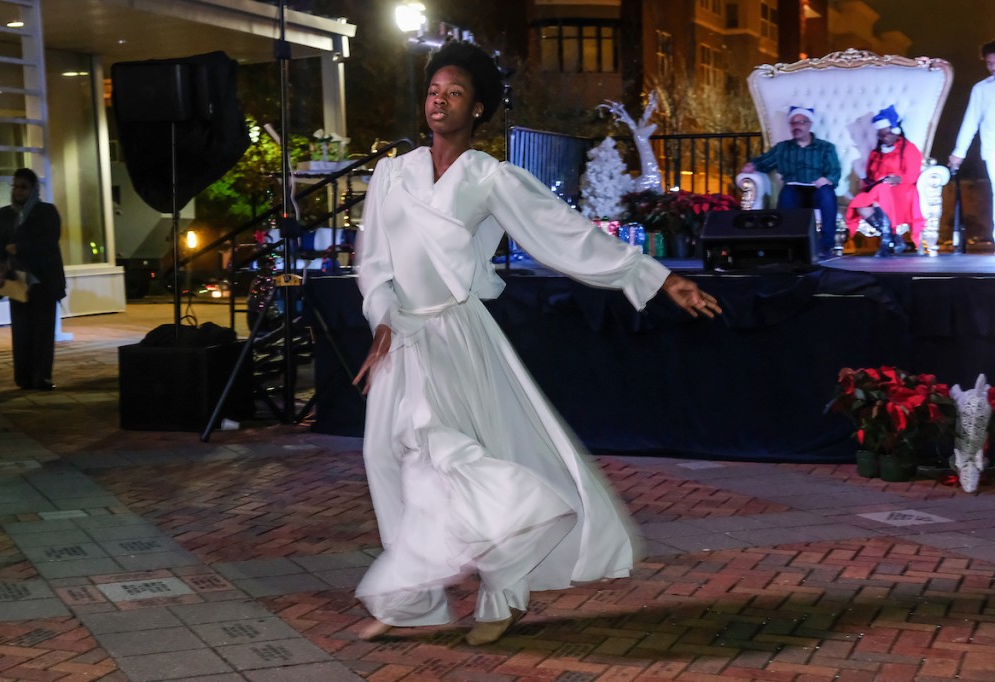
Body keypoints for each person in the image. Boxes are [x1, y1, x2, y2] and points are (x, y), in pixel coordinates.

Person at [351, 41, 720, 646]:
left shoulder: (488, 177)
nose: (440, 101)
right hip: (400, 339)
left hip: (456, 334)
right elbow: (373, 264)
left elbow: (565, 234)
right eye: (434, 91)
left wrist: (657, 276)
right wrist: (384, 316)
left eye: (456, 93)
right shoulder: (393, 174)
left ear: (477, 110)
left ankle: (520, 537)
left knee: (441, 452)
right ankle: (416, 600)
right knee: (388, 462)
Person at [0, 168, 66, 390]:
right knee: (21, 331)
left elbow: (48, 240)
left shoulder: (46, 212)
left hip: (42, 279)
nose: (18, 191)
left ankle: (41, 377)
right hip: (16, 277)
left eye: (23, 187)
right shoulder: (5, 214)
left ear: (33, 190)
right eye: (15, 186)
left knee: (42, 330)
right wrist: (1, 259)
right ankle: (23, 377)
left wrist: (18, 247)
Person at [742, 106, 841, 258]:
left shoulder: (825, 147)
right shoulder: (783, 148)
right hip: (795, 189)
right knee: (787, 193)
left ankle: (826, 246)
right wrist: (752, 165)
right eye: (793, 123)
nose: (797, 127)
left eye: (801, 122)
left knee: (828, 193)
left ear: (809, 124)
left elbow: (835, 171)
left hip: (817, 189)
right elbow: (764, 161)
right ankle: (787, 244)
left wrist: (827, 180)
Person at [846, 105, 925, 257]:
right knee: (860, 204)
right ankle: (893, 237)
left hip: (902, 189)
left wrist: (898, 178)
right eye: (881, 135)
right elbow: (870, 176)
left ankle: (886, 241)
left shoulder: (908, 148)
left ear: (895, 131)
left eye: (887, 133)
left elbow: (913, 174)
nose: (884, 138)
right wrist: (867, 180)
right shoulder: (876, 153)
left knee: (880, 192)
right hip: (880, 190)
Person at [949, 40, 995, 241]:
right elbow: (970, 122)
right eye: (989, 63)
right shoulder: (982, 89)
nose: (993, 67)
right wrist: (959, 153)